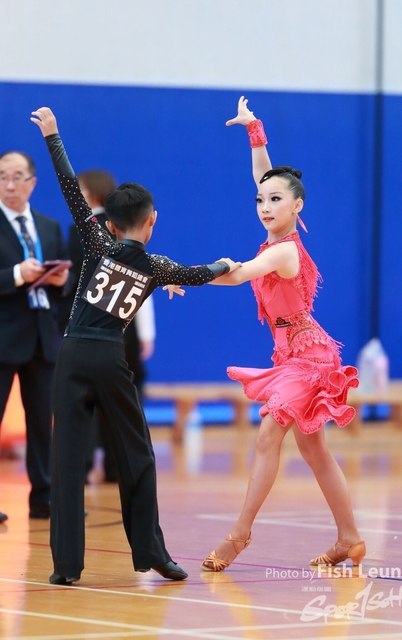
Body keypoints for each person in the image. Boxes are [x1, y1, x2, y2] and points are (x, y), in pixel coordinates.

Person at [30, 106, 240, 584]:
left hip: (71, 354)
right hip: (110, 357)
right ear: (152, 221)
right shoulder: (156, 265)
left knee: (67, 460)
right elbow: (199, 274)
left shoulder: (96, 243)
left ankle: (65, 568)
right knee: (137, 456)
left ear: (108, 223)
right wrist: (224, 265)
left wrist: (53, 136)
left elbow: (69, 187)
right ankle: (153, 554)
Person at [197, 97, 364, 571]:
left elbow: (238, 275)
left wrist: (178, 274)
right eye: (260, 200)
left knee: (269, 435)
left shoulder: (284, 252)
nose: (265, 205)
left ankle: (239, 534)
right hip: (292, 356)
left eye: (275, 200)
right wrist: (254, 129)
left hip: (310, 358)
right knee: (314, 450)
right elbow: (264, 175)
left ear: (298, 206)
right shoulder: (274, 238)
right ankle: (349, 538)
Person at [62, 169, 156, 482]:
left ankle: (82, 466)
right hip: (124, 331)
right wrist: (146, 333)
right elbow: (144, 281)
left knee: (83, 399)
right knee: (124, 399)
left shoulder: (83, 230)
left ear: (90, 193)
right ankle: (120, 467)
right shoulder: (131, 230)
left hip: (86, 330)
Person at [0, 150, 70, 521]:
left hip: (43, 337)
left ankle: (45, 498)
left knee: (43, 423)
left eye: (16, 177)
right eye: (2, 177)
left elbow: (65, 285)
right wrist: (16, 274)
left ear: (32, 182)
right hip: (4, 336)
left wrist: (60, 281)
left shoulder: (48, 226)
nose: (9, 185)